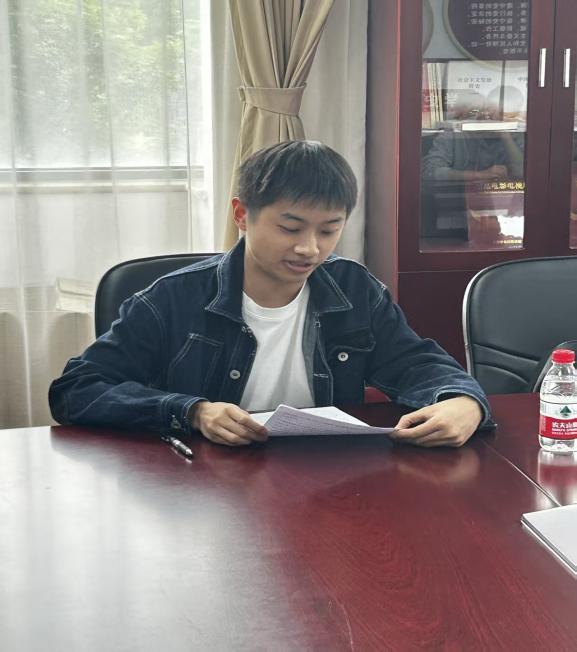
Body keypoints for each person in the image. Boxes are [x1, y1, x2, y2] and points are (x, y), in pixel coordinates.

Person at [49, 141, 492, 448]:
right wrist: (193, 412)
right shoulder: (171, 298)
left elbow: (417, 363)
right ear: (242, 214)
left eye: (329, 230)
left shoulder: (353, 289)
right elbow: (77, 389)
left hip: (324, 490)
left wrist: (463, 402)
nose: (309, 248)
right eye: (290, 228)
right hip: (203, 489)